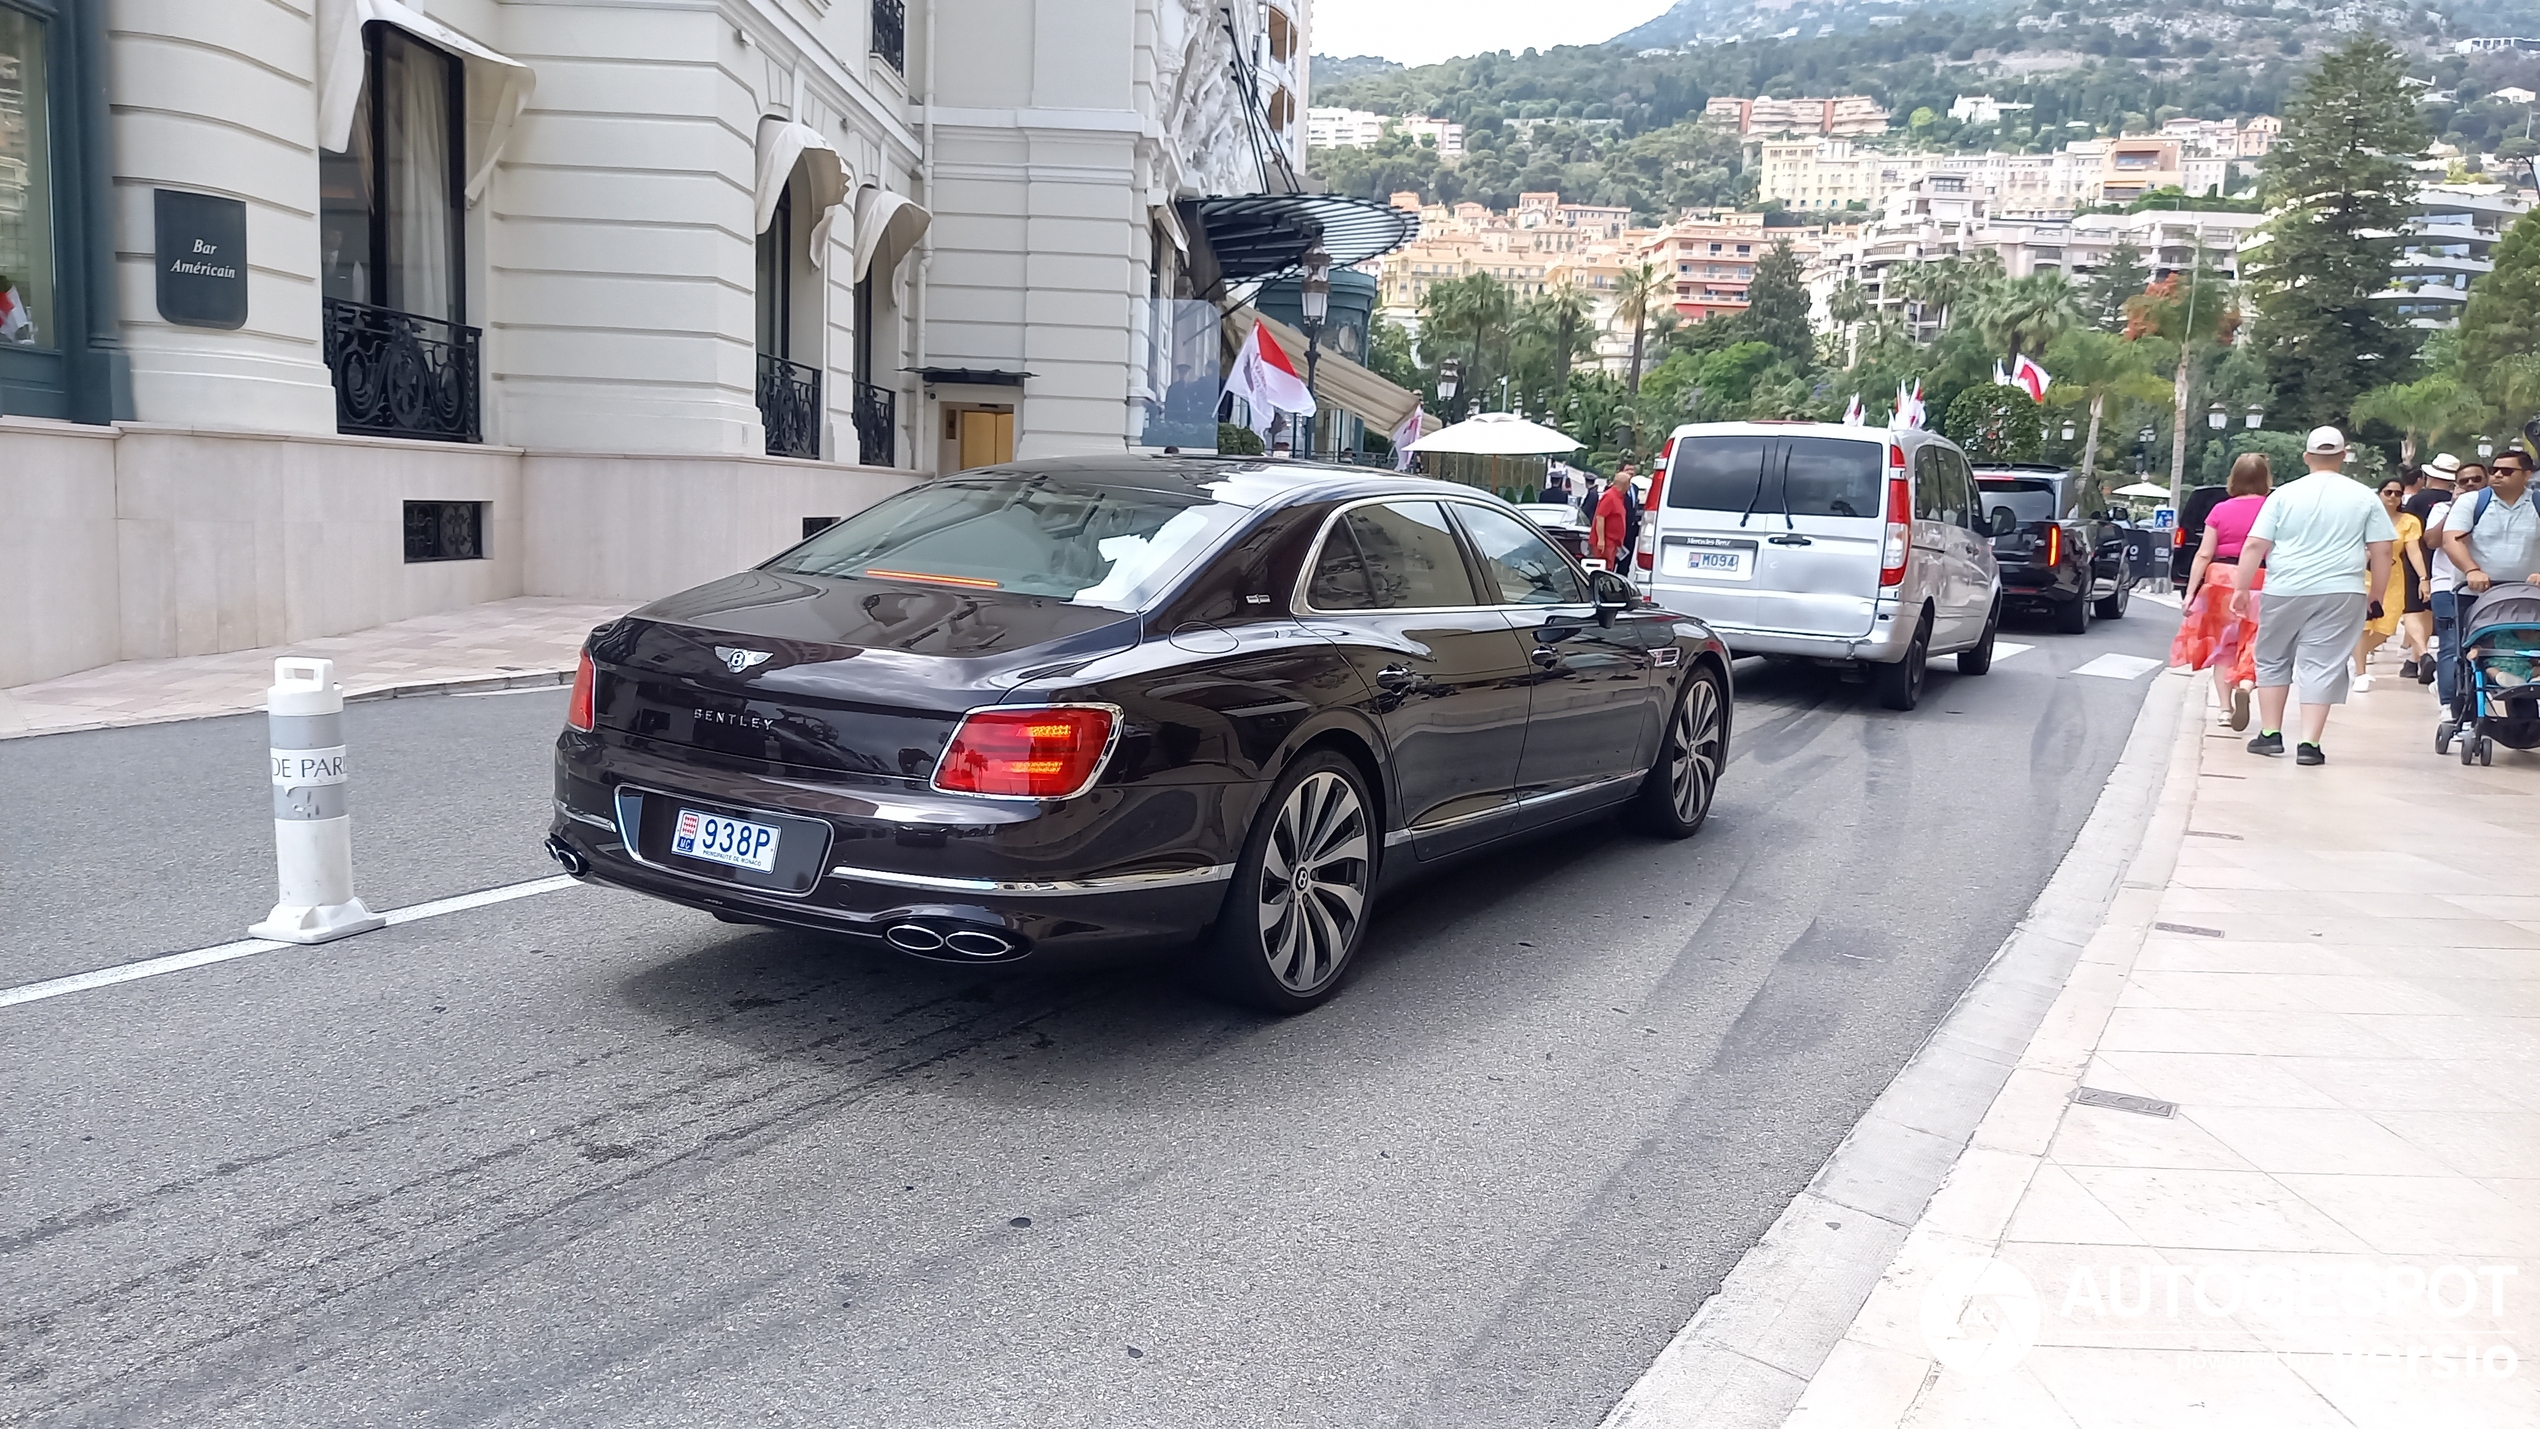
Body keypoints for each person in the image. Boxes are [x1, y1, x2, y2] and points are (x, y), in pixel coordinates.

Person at [2230, 426, 2396, 765]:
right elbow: (2382, 551)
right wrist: (2375, 594)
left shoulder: (2283, 495)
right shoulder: (2365, 496)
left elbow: (2255, 544)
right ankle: (2309, 743)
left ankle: (2270, 734)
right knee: (2324, 664)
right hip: (2342, 590)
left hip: (2285, 587)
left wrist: (2242, 588)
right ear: (2343, 455)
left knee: (2273, 658)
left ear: (2306, 457)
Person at [2170, 453, 2272, 729]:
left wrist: (2191, 592)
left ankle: (2225, 710)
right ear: (2266, 479)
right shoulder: (2273, 508)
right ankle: (2247, 684)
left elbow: (2203, 554)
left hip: (2220, 581)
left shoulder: (2219, 510)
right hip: (2261, 579)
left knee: (2223, 648)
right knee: (2254, 642)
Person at [2351, 475, 2426, 691]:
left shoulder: (2409, 521)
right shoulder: (2364, 518)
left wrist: (2423, 578)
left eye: (2398, 493)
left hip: (2393, 579)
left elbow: (2413, 551)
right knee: (2363, 626)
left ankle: (2356, 656)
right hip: (2363, 576)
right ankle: (2361, 672)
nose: (2393, 497)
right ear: (2379, 494)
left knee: (2386, 628)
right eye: (2388, 492)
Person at [2427, 461, 2487, 702]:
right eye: (2464, 481)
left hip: (2487, 586)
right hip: (2447, 586)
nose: (2470, 484)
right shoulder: (2443, 508)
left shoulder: (2492, 507)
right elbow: (2432, 541)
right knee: (2452, 646)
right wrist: (2456, 507)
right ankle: (2450, 702)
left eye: (2476, 479)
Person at [1591, 466, 1631, 567]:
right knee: (1605, 568)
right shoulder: (1609, 496)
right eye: (1629, 484)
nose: (1630, 487)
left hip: (1613, 544)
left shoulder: (1619, 497)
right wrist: (1601, 540)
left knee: (1610, 567)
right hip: (1606, 543)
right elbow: (1600, 517)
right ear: (1624, 485)